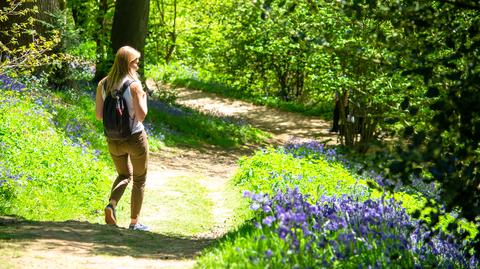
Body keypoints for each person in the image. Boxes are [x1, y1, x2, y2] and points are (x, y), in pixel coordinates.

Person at [95, 46, 150, 231]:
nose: (138, 64)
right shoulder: (134, 84)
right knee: (139, 179)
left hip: (113, 140)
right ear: (128, 63)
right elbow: (142, 115)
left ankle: (111, 204)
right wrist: (143, 97)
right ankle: (134, 222)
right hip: (135, 138)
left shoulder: (103, 84)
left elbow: (98, 115)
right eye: (136, 61)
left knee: (123, 174)